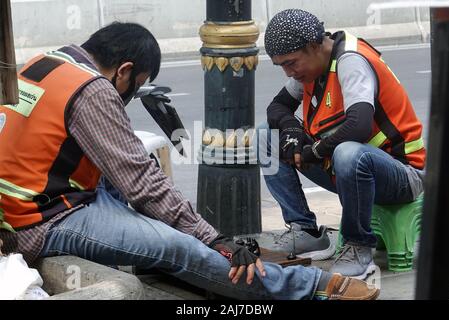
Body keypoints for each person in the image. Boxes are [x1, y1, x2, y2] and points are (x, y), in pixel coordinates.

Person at [0, 22, 379, 300]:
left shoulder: (48, 61)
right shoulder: (93, 90)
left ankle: (163, 259)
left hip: (36, 197)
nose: (129, 96)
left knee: (162, 211)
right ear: (125, 70)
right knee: (176, 244)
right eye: (137, 84)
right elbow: (143, 184)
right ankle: (311, 289)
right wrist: (214, 239)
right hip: (44, 220)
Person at [259, 9, 425, 279]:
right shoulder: (313, 66)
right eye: (282, 66)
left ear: (314, 46)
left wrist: (313, 151)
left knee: (348, 152)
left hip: (402, 175)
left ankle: (358, 247)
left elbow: (358, 126)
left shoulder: (351, 61)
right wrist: (291, 129)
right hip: (350, 170)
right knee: (266, 135)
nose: (288, 72)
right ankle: (306, 232)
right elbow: (277, 107)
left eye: (291, 63)